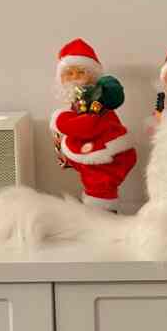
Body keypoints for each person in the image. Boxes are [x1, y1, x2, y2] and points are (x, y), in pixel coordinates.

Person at [51, 38, 136, 211]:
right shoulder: (73, 104)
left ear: (92, 75)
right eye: (69, 73)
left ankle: (101, 215)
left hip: (102, 152)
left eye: (80, 72)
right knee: (92, 185)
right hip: (87, 155)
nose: (74, 78)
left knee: (99, 186)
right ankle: (97, 214)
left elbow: (88, 126)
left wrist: (63, 122)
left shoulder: (98, 102)